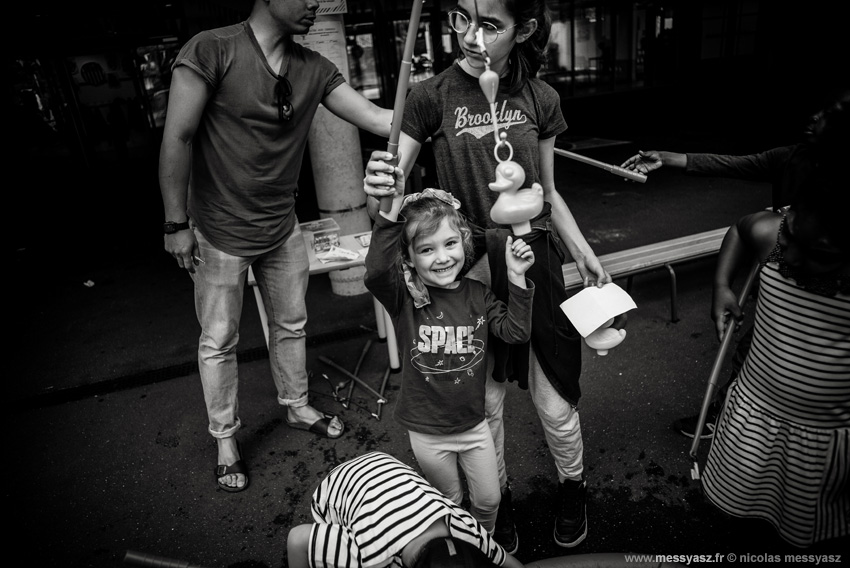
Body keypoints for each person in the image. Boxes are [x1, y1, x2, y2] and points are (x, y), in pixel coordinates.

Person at [363, 0, 612, 550]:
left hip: (535, 259)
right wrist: (381, 181)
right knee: (488, 402)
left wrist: (582, 249)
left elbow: (546, 192)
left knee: (555, 396)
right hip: (468, 270)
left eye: (490, 25)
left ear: (522, 30)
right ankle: (492, 506)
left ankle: (574, 485)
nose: (471, 37)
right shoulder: (430, 97)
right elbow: (394, 184)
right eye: (461, 19)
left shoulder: (540, 98)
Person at [158, 0, 392, 493]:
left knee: (291, 323)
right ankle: (225, 438)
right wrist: (175, 222)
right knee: (218, 341)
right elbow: (177, 138)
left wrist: (449, 103)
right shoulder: (211, 50)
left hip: (281, 227)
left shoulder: (315, 68)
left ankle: (297, 404)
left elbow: (375, 117)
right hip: (218, 232)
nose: (316, 4)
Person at [619, 89, 850, 440]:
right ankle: (728, 418)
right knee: (752, 350)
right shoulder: (790, 166)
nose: (814, 119)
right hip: (779, 301)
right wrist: (722, 285)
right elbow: (732, 175)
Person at [364, 188, 535, 534]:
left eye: (450, 244)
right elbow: (376, 271)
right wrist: (388, 213)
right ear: (409, 257)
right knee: (450, 500)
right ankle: (462, 547)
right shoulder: (404, 298)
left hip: (474, 426)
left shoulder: (478, 295)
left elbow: (516, 332)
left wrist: (516, 276)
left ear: (465, 243)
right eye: (426, 249)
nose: (441, 257)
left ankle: (481, 543)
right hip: (427, 434)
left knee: (489, 500)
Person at [700, 176, 849, 548]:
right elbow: (739, 228)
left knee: (807, 530)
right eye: (791, 237)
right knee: (746, 513)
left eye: (820, 252)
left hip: (823, 441)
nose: (791, 259)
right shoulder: (773, 235)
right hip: (754, 414)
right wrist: (721, 285)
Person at [286, 451, 524, 568]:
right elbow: (298, 539)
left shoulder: (466, 528)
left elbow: (507, 562)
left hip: (385, 465)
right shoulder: (365, 552)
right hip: (334, 491)